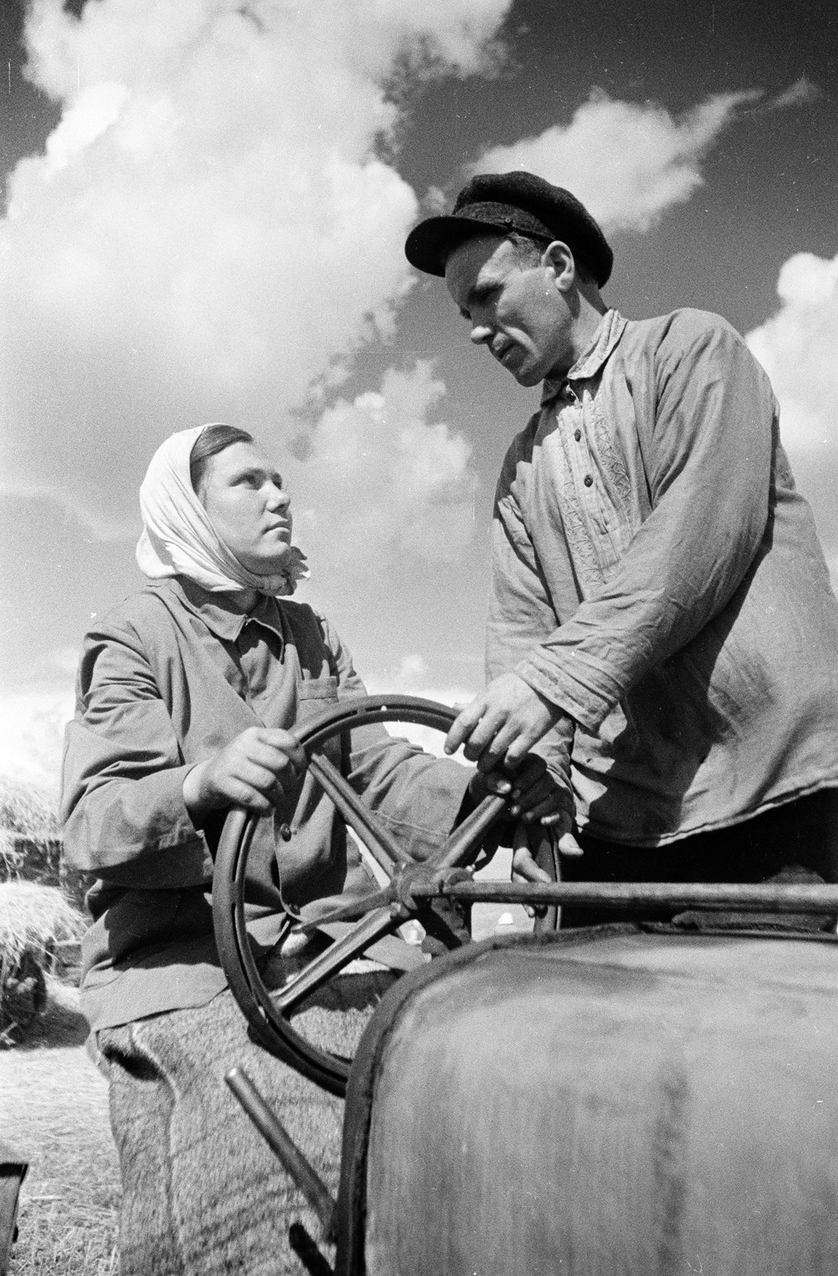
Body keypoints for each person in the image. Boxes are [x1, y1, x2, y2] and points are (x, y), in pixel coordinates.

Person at [61, 423, 563, 1276]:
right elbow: (93, 820)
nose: (279, 496)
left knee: (480, 1097)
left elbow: (380, 771)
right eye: (248, 483)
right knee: (278, 1169)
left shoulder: (312, 634)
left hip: (337, 941)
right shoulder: (135, 636)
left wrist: (489, 801)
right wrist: (200, 784)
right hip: (187, 963)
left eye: (280, 480)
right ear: (189, 510)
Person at [404, 170, 838, 914]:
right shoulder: (521, 466)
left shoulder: (691, 350)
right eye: (464, 312)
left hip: (779, 787)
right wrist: (538, 780)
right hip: (625, 822)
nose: (475, 329)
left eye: (488, 294)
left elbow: (698, 536)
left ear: (559, 266)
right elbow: (522, 630)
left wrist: (549, 684)